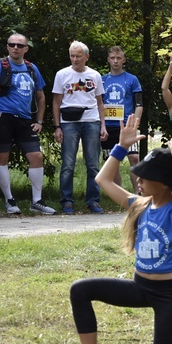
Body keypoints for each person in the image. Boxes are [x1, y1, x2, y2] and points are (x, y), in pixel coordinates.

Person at [69, 115, 172, 344]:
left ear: (167, 184)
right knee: (80, 290)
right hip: (140, 287)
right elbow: (103, 180)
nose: (140, 180)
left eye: (147, 176)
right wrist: (120, 148)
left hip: (170, 294)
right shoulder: (139, 205)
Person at [0, 33, 56, 214]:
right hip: (4, 117)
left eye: (19, 45)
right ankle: (9, 201)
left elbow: (40, 96)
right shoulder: (1, 65)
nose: (15, 47)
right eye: (12, 44)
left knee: (36, 157)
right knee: (2, 159)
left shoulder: (32, 68)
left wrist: (39, 121)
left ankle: (36, 201)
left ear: (26, 49)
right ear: (7, 47)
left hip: (25, 119)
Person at [52, 41, 108, 215]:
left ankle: (93, 201)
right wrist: (57, 126)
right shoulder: (62, 75)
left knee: (93, 164)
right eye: (72, 56)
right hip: (69, 122)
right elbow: (56, 101)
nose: (75, 59)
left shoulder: (95, 75)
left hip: (91, 120)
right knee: (68, 164)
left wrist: (103, 125)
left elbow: (100, 103)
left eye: (78, 56)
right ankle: (67, 202)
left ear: (86, 56)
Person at [101, 46, 143, 191]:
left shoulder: (132, 79)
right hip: (108, 126)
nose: (115, 61)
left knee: (134, 158)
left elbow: (139, 104)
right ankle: (120, 194)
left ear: (123, 60)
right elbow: (98, 104)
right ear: (108, 60)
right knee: (112, 161)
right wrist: (101, 125)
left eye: (119, 58)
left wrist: (134, 125)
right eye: (112, 58)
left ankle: (138, 193)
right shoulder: (102, 80)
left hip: (126, 126)